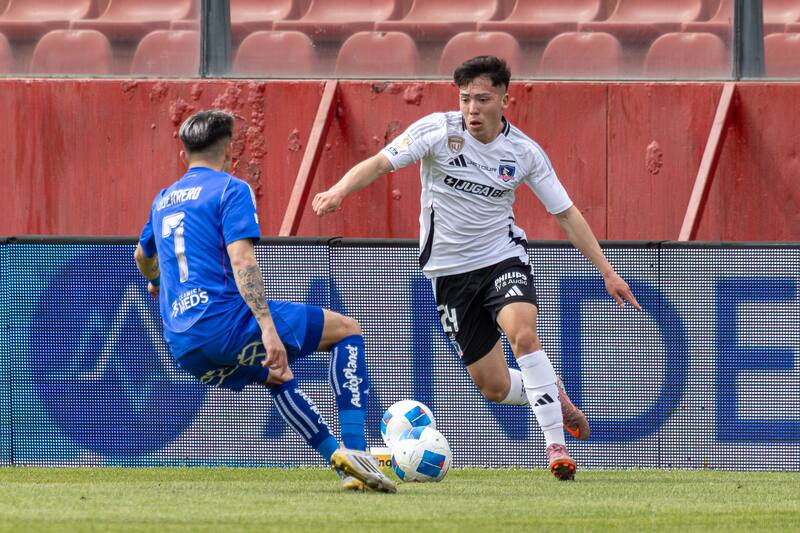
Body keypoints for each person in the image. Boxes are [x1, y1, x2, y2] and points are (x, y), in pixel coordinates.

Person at [313, 56, 641, 481]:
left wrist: (607, 271)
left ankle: (555, 446)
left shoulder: (523, 153)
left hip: (502, 258)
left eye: (482, 99)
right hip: (449, 274)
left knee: (523, 334)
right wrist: (339, 190)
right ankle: (550, 395)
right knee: (495, 386)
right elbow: (379, 162)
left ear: (506, 98)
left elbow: (565, 213)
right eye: (465, 98)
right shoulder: (437, 132)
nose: (472, 108)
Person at [134, 110, 395, 493]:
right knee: (346, 332)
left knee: (276, 376)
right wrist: (268, 329)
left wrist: (156, 282)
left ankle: (341, 464)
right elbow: (242, 261)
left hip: (182, 345)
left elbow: (142, 257)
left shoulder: (162, 200)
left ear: (182, 154)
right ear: (230, 150)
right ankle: (357, 452)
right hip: (226, 323)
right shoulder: (230, 189)